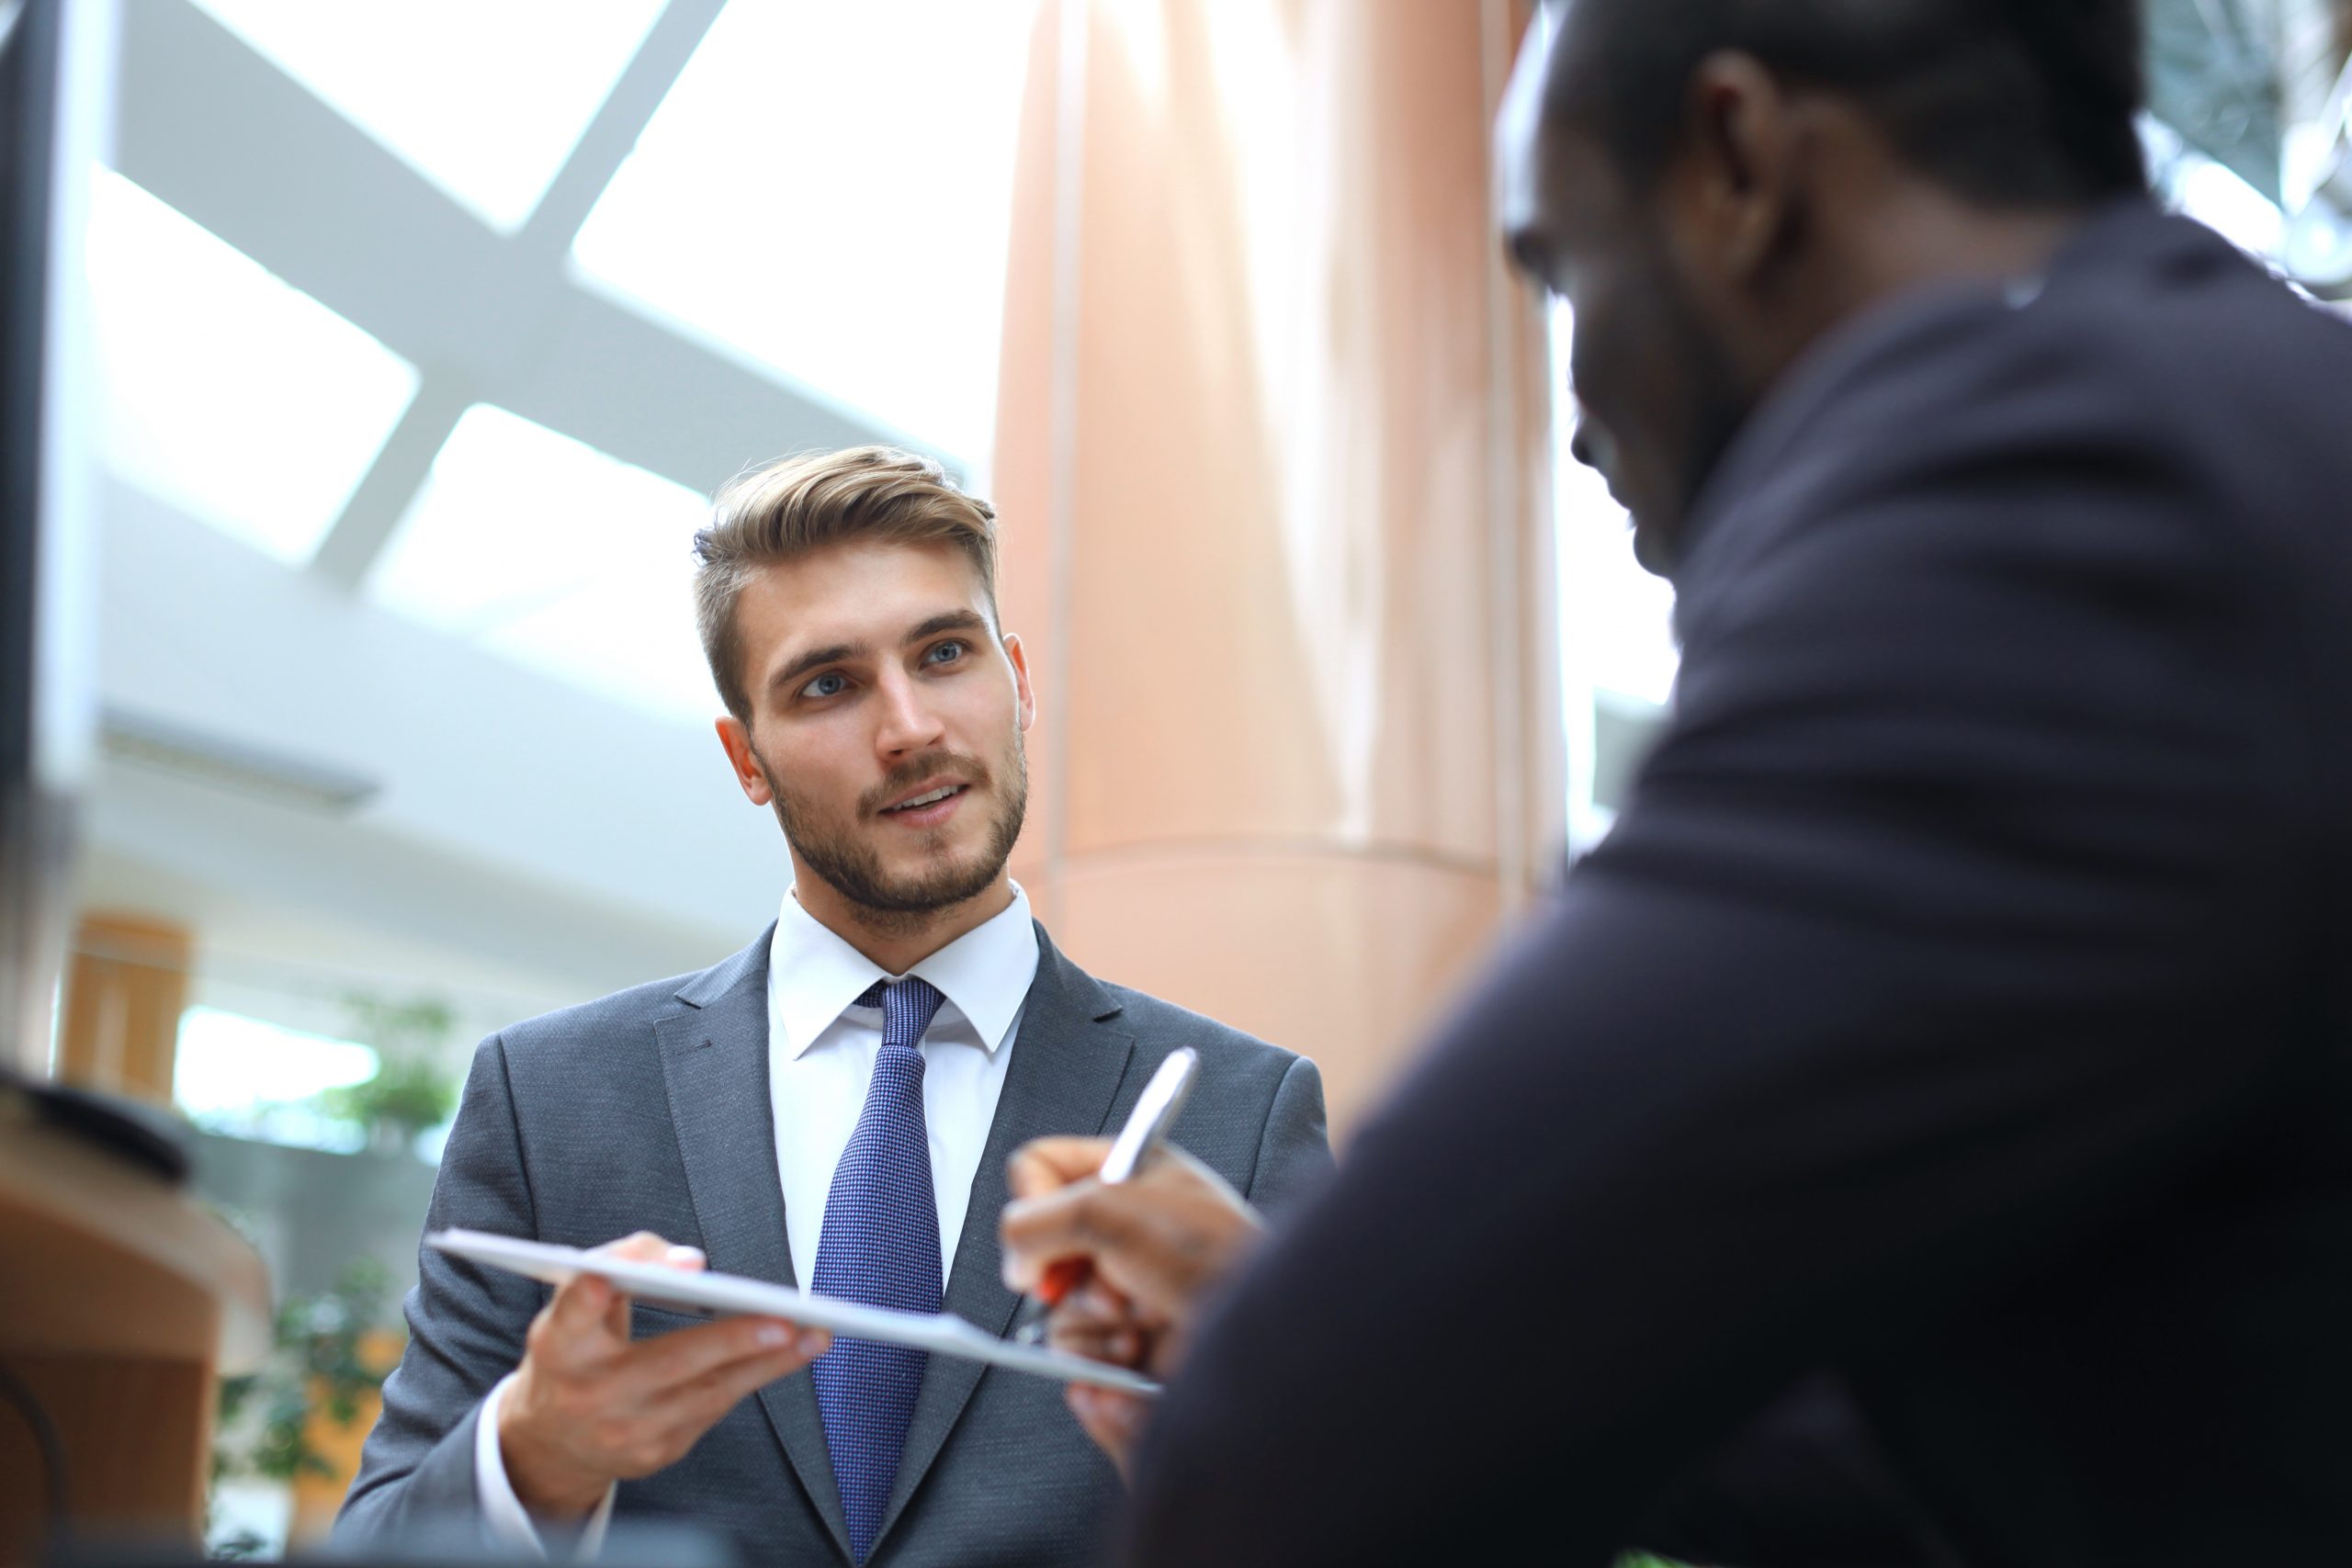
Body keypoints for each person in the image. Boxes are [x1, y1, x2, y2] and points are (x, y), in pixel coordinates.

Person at [999, 1, 2352, 1562]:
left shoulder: (2051, 494)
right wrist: (1327, 1326)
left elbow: (1297, 1443)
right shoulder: (2255, 421)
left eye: (1567, 268)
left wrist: (1303, 1354)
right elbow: (2116, 1442)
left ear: (1737, 159)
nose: (1572, 417)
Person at [336, 447, 1330, 1568]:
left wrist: (1259, 1442)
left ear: (1017, 682)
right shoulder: (549, 1100)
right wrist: (535, 1453)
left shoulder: (1240, 1117)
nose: (909, 727)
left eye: (944, 654)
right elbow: (376, 1546)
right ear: (745, 758)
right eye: (828, 684)